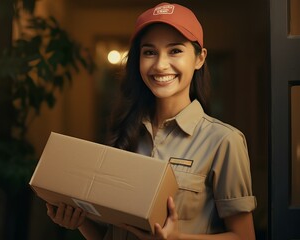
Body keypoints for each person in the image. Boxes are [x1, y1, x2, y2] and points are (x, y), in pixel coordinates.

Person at [46, 2, 257, 239]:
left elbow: (244, 236)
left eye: (175, 50)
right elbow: (114, 233)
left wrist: (177, 238)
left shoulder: (224, 141)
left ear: (199, 58)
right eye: (149, 52)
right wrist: (80, 222)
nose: (160, 65)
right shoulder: (126, 131)